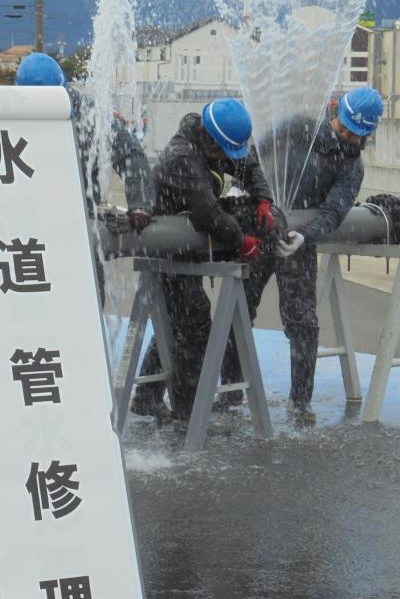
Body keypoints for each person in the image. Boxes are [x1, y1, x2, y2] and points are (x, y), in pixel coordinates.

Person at [220, 86, 384, 421]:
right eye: (343, 129)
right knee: (239, 308)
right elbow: (257, 153)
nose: (346, 138)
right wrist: (240, 185)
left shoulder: (353, 167)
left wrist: (304, 237)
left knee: (302, 321)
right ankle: (231, 390)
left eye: (355, 136)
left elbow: (334, 211)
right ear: (335, 112)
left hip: (297, 238)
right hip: (259, 226)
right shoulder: (299, 127)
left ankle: (300, 402)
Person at [130, 99, 275, 422]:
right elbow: (207, 211)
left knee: (177, 323)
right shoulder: (183, 157)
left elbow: (247, 164)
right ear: (210, 140)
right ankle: (187, 412)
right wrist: (242, 241)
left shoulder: (215, 140)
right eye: (223, 152)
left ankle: (146, 397)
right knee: (194, 326)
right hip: (166, 247)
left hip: (187, 246)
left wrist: (263, 198)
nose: (226, 159)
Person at [15, 52, 155, 303]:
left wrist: (140, 203)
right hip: (30, 233)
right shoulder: (8, 116)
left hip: (80, 227)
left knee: (86, 303)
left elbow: (131, 153)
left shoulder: (92, 117)